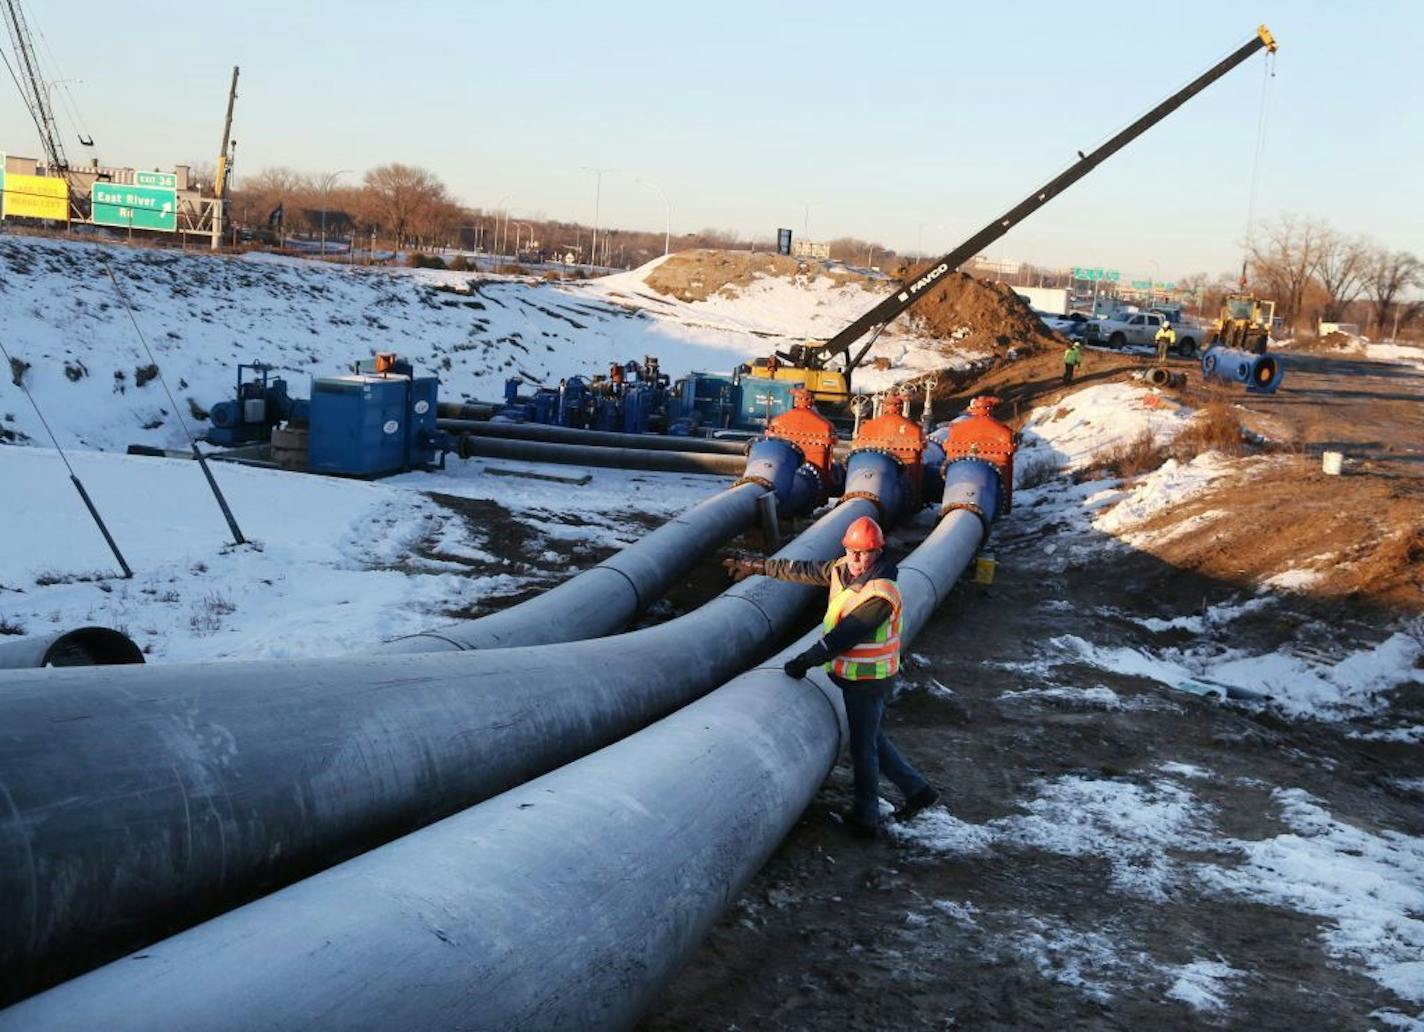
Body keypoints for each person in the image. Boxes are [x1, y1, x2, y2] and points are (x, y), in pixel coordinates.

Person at [722, 516, 938, 839]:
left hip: (870, 681)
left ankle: (865, 819)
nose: (856, 559)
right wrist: (758, 566)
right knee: (872, 737)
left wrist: (804, 661)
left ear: (877, 553)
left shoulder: (880, 592)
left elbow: (843, 636)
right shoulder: (841, 569)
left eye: (864, 554)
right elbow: (802, 570)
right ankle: (918, 791)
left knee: (863, 748)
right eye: (852, 551)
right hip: (854, 677)